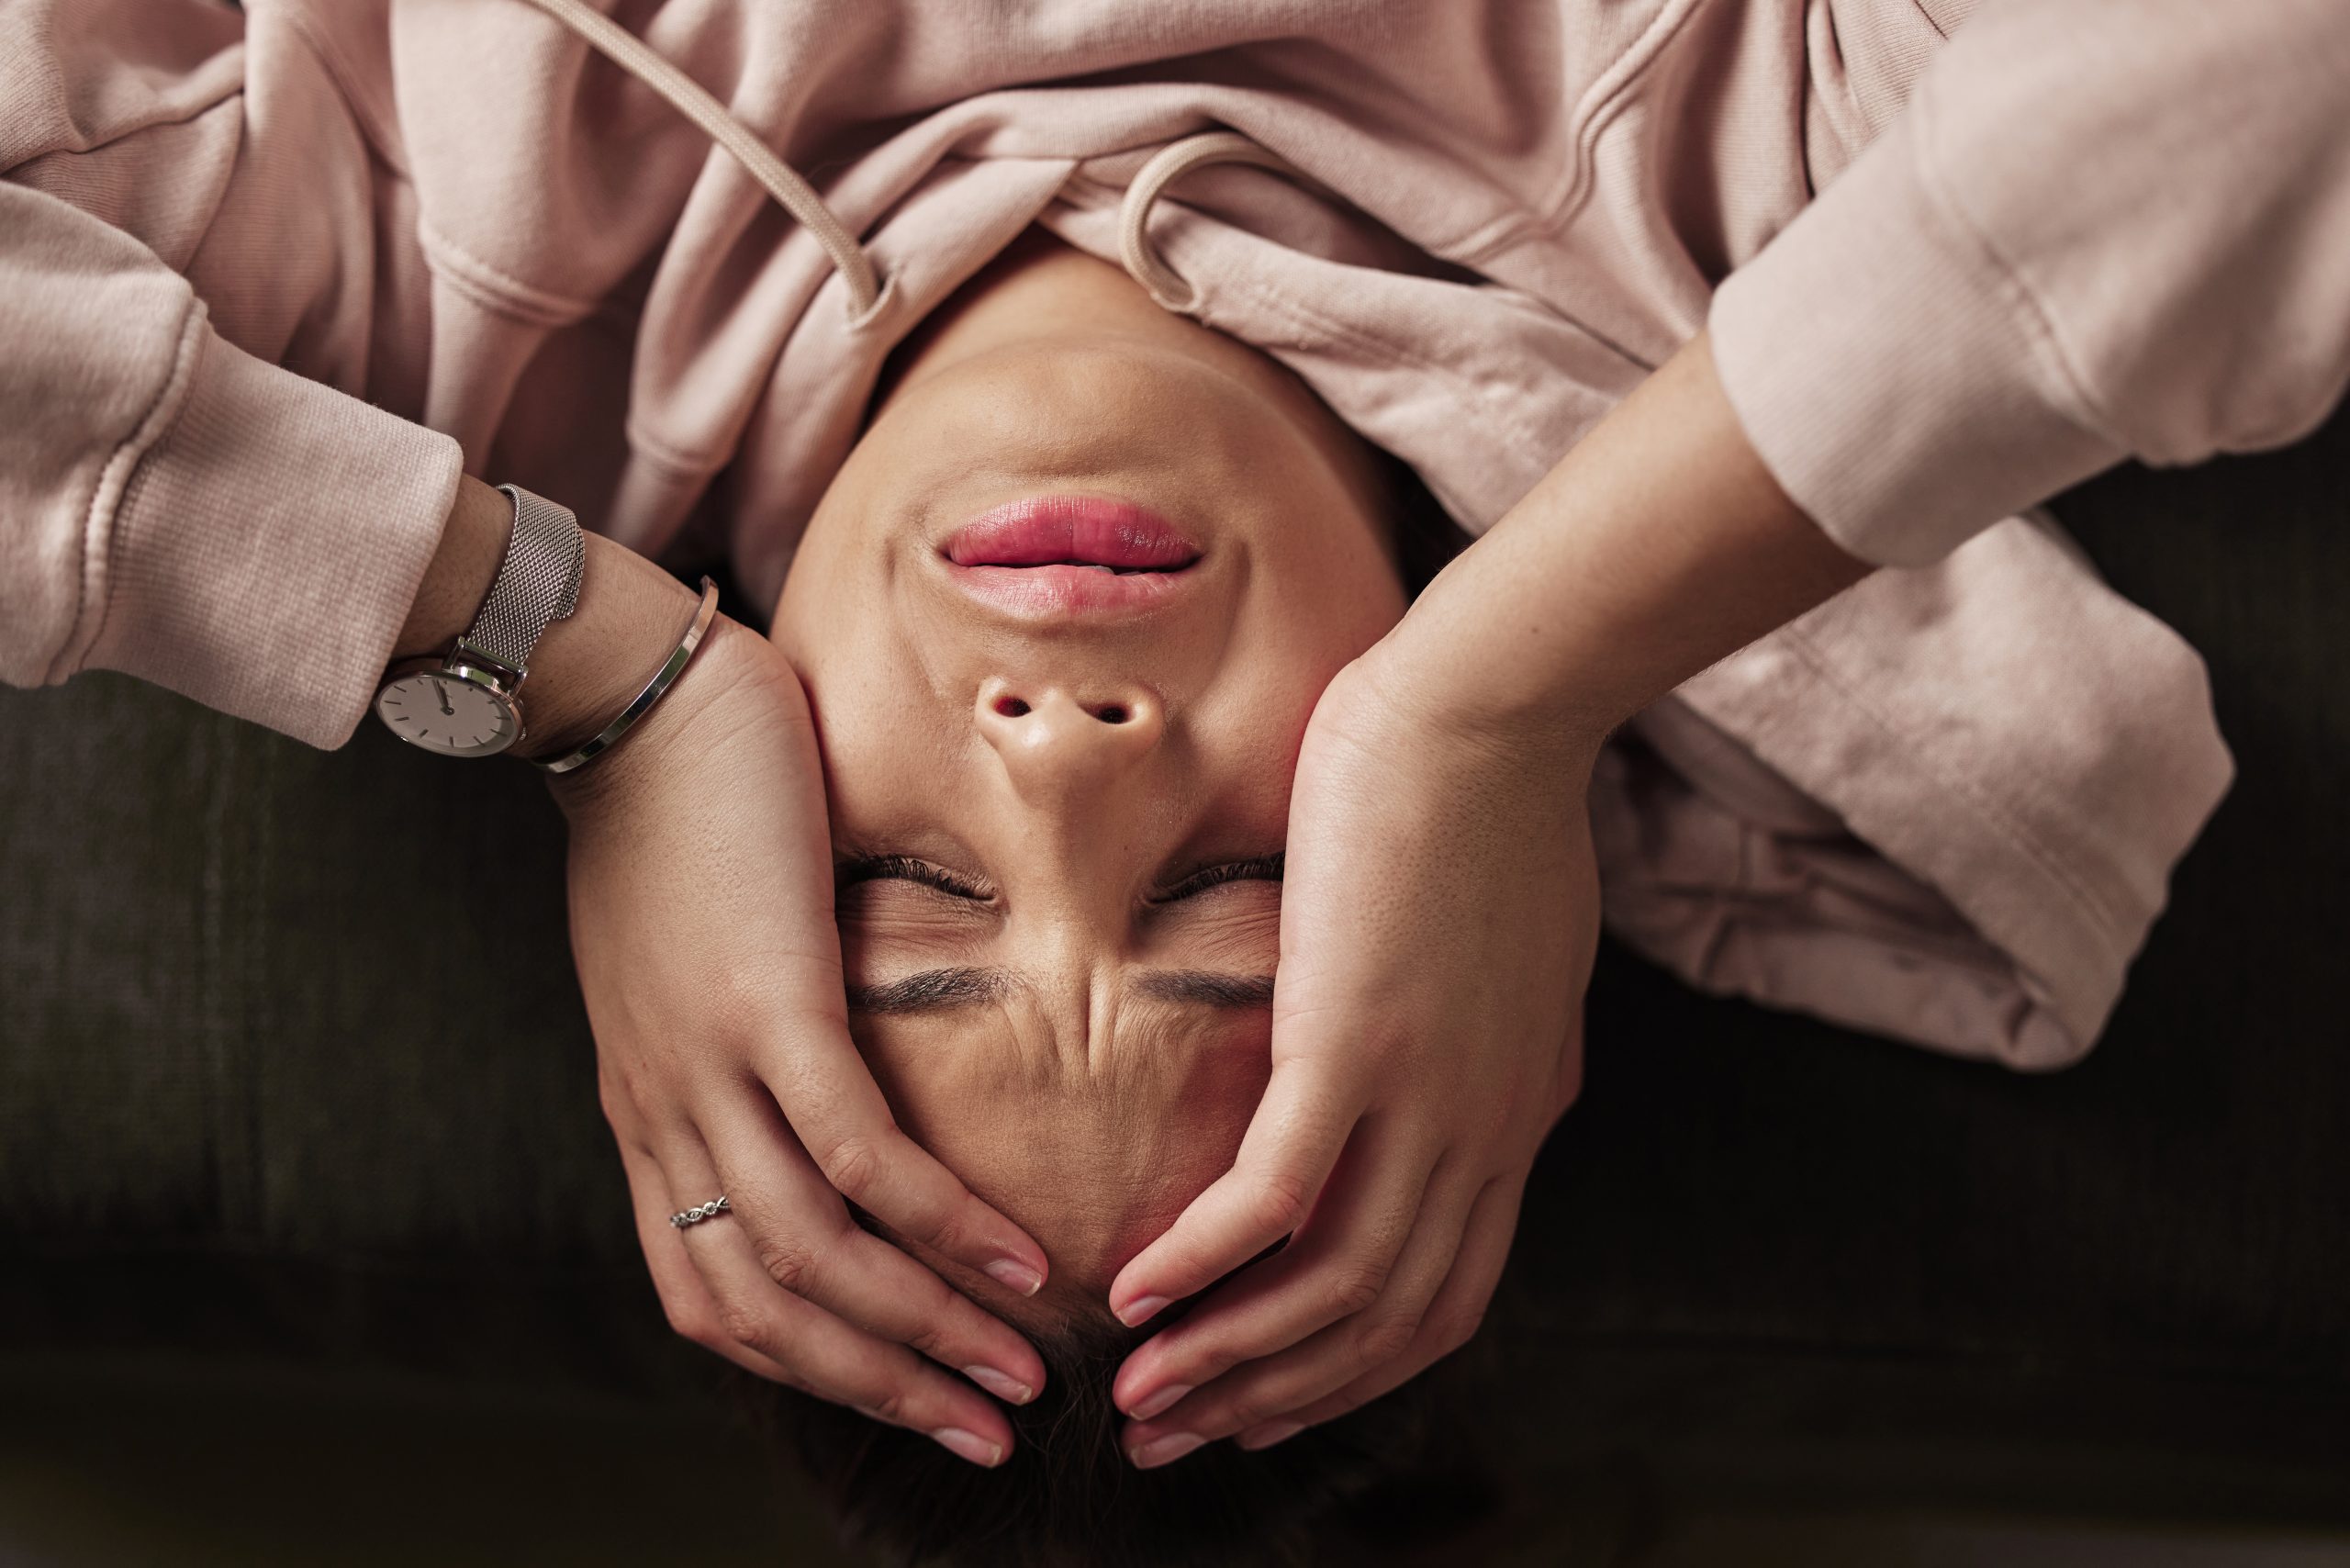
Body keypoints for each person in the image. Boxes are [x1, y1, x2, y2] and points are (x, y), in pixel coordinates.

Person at [3, 0, 2338, 1520]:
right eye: (1236, 899)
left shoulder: (416, 243)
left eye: (907, 885)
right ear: (1515, 903)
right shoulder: (1739, 167)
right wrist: (1497, 691)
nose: (1066, 759)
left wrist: (585, 666)